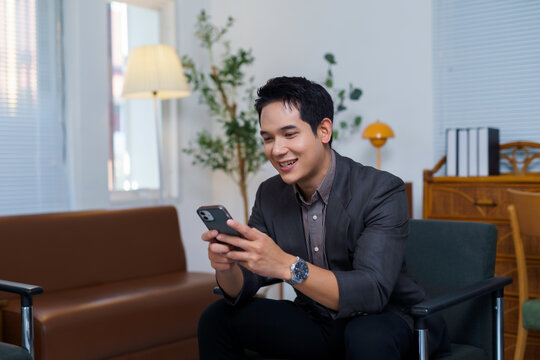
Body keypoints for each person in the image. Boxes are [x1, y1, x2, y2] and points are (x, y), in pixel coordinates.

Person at [198, 76, 442, 360]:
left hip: (389, 318)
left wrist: (287, 265)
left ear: (324, 130)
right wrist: (227, 266)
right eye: (268, 138)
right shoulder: (270, 194)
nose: (276, 150)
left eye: (289, 134)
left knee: (366, 337)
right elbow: (246, 283)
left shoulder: (381, 189)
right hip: (319, 321)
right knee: (217, 318)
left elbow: (372, 291)